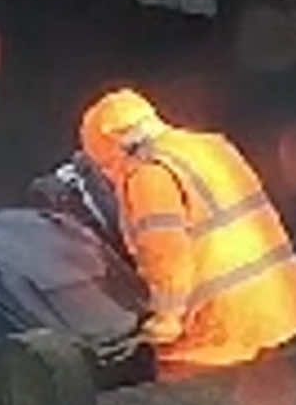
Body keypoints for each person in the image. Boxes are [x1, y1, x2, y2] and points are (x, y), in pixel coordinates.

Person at [78, 88, 296, 377]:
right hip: (278, 311)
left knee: (184, 403)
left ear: (113, 147)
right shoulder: (211, 147)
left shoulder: (148, 174)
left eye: (104, 165)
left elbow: (166, 257)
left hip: (221, 334)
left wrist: (164, 323)